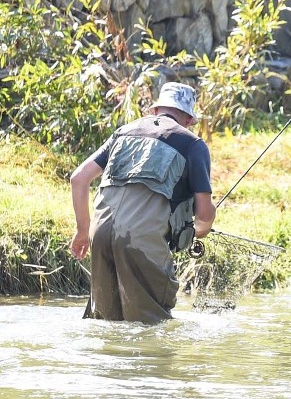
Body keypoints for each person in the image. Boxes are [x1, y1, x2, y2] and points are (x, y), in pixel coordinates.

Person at [69, 82, 216, 321]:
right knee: (151, 326)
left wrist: (82, 232)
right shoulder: (193, 145)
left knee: (106, 321)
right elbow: (204, 213)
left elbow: (79, 178)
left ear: (155, 110)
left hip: (100, 234)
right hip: (141, 241)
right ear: (189, 119)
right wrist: (200, 231)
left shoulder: (123, 132)